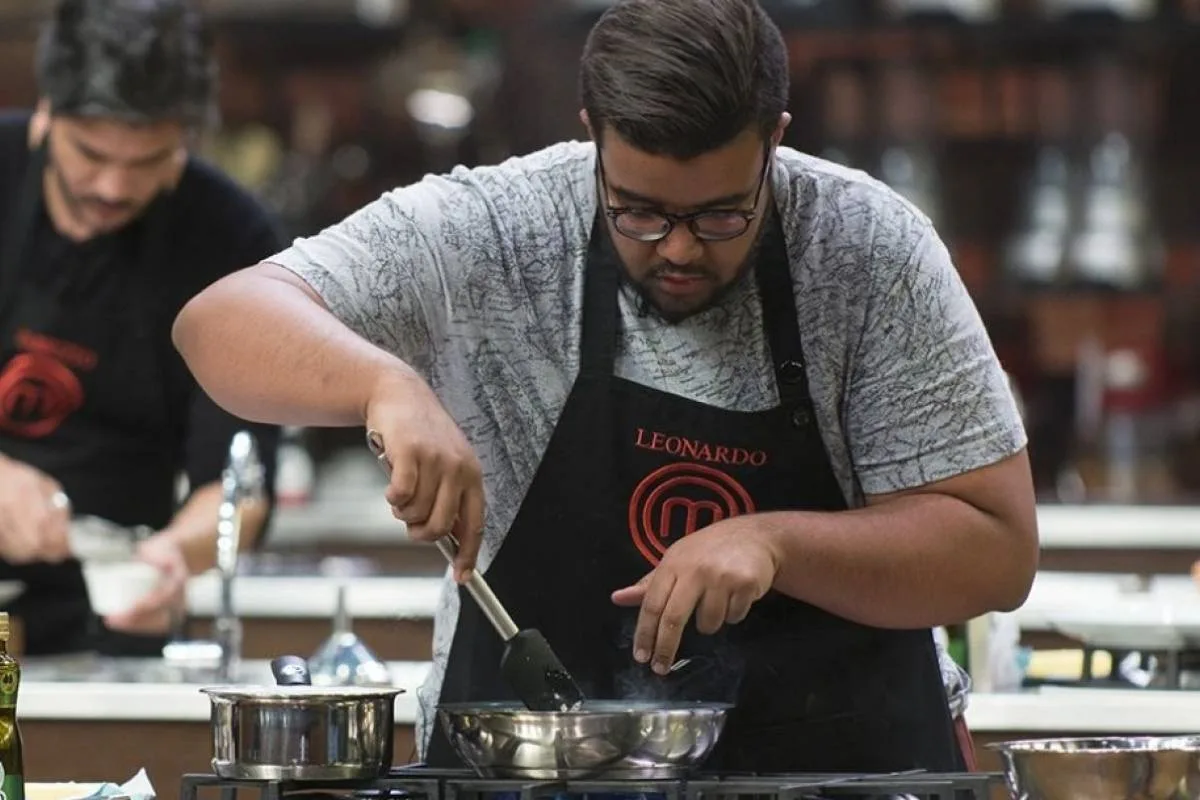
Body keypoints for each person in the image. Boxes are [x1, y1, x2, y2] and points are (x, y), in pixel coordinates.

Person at [173, 0, 1038, 774]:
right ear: (593, 136)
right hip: (537, 769)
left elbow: (997, 552)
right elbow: (218, 321)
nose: (679, 249)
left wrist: (779, 546)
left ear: (775, 138)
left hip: (846, 768)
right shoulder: (500, 228)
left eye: (722, 214)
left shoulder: (868, 249)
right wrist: (381, 383)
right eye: (638, 211)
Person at [0, 0, 281, 658]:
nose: (113, 186)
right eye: (90, 153)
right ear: (47, 114)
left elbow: (242, 491)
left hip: (106, 626)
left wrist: (171, 557)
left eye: (148, 160)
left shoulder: (228, 237)